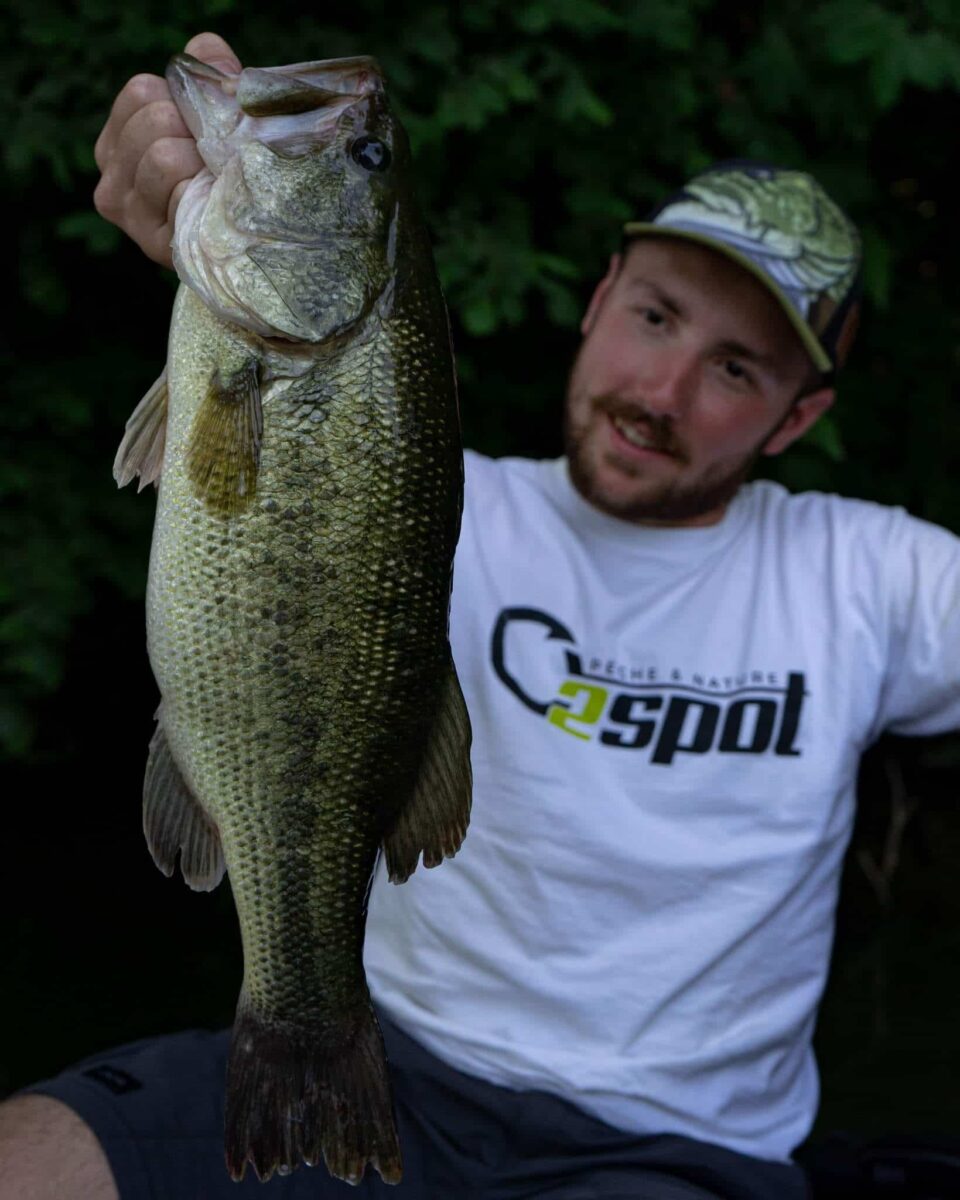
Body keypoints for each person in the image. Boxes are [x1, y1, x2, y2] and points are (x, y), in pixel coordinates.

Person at [2, 30, 958, 1200]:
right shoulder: (443, 502)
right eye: (656, 318)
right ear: (602, 296)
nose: (662, 392)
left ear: (797, 420)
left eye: (737, 369)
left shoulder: (871, 579)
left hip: (674, 1152)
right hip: (399, 1068)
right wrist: (194, 229)